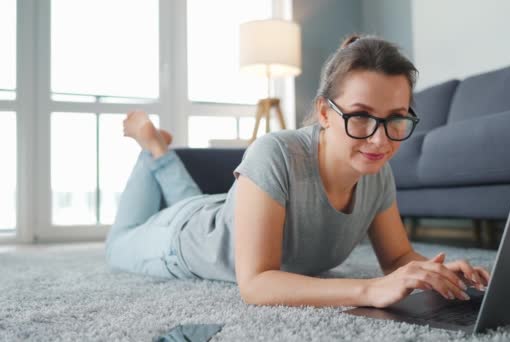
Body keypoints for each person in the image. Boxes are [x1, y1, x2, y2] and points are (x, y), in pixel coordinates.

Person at [105, 35, 490, 309]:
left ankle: (159, 151)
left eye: (396, 120)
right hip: (178, 241)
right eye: (360, 117)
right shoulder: (275, 153)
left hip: (221, 214)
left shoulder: (376, 172)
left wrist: (432, 273)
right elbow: (256, 283)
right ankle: (152, 148)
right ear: (325, 112)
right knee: (116, 244)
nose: (379, 141)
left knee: (203, 207)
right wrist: (369, 290)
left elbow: (397, 256)